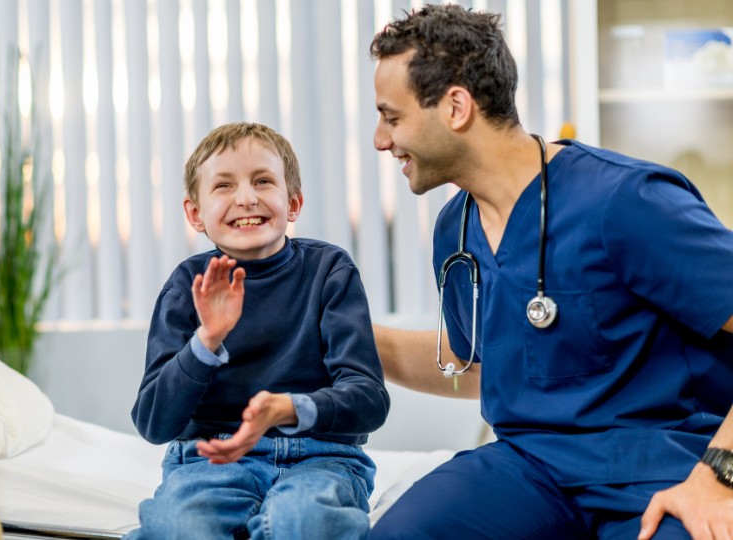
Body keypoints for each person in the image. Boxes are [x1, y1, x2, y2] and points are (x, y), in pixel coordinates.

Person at [367, 4, 733, 539]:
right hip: (529, 469)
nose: (381, 139)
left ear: (456, 106)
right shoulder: (456, 231)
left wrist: (720, 475)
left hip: (659, 464)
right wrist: (355, 338)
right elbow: (480, 370)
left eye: (391, 117)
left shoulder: (624, 201)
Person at [126, 122, 390, 539]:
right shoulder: (186, 287)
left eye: (263, 181)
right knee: (179, 527)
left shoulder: (329, 272)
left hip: (322, 459)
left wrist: (289, 408)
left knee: (303, 522)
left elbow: (370, 399)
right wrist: (205, 342)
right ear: (195, 214)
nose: (246, 198)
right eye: (224, 186)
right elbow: (154, 423)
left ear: (294, 203)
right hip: (209, 461)